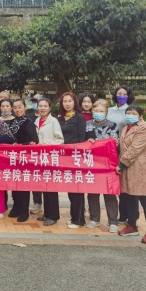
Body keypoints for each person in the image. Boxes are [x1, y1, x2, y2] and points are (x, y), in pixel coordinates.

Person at [117, 105, 146, 244]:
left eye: (133, 113)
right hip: (127, 168)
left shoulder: (143, 128)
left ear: (140, 116)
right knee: (129, 196)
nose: (130, 115)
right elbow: (122, 147)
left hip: (138, 167)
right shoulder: (125, 128)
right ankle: (132, 225)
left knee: (144, 198)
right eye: (128, 113)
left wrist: (121, 164)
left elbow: (135, 149)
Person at [85, 99, 120, 232]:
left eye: (101, 111)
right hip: (91, 163)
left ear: (106, 112)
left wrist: (115, 144)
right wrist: (87, 141)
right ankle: (94, 219)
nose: (98, 113)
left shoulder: (112, 125)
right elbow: (82, 141)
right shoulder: (87, 124)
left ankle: (113, 221)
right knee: (92, 192)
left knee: (109, 192)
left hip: (107, 164)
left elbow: (115, 144)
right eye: (96, 110)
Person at [57, 92, 88, 229]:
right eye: (65, 101)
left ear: (75, 103)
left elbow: (82, 137)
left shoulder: (79, 118)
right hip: (64, 158)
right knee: (70, 189)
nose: (67, 104)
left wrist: (79, 156)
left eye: (70, 101)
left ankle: (79, 220)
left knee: (77, 190)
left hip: (75, 158)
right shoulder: (60, 118)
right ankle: (73, 217)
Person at [8, 98, 39, 222]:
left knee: (23, 185)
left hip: (24, 158)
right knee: (14, 184)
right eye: (15, 108)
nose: (17, 110)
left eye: (19, 107)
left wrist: (21, 146)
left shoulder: (29, 122)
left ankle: (24, 211)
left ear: (25, 107)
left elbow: (34, 140)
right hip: (13, 158)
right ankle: (16, 207)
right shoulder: (12, 121)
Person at [107, 84, 134, 224]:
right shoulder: (110, 110)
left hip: (125, 149)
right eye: (119, 93)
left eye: (124, 94)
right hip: (111, 150)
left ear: (128, 96)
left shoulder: (131, 110)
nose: (121, 96)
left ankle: (128, 215)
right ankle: (121, 214)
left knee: (126, 183)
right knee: (116, 182)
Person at [34, 98, 64, 226]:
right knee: (44, 187)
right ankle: (47, 213)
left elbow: (60, 139)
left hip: (50, 158)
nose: (42, 108)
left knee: (51, 188)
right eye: (40, 106)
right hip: (39, 158)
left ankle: (53, 216)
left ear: (50, 108)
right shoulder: (36, 121)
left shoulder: (53, 121)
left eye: (45, 106)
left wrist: (44, 145)